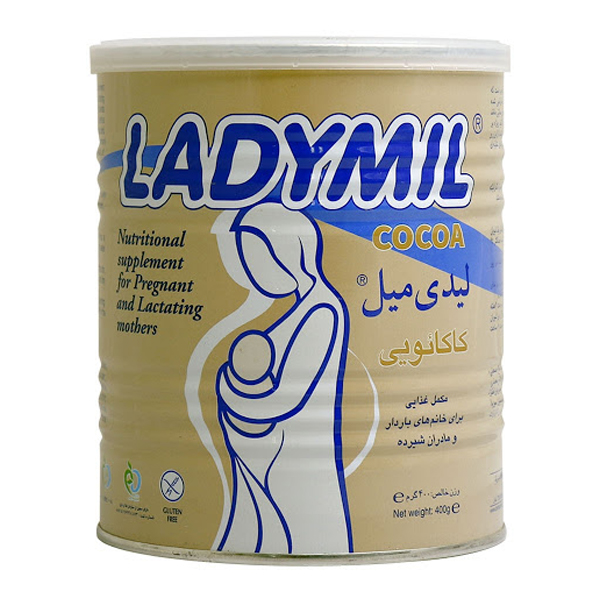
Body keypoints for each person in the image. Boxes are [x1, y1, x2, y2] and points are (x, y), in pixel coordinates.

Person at [215, 202, 353, 554]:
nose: (254, 273)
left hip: (295, 460)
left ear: (289, 253)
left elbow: (286, 399)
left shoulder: (323, 311)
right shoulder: (301, 310)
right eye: (248, 262)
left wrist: (228, 391)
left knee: (296, 531)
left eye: (259, 259)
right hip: (277, 454)